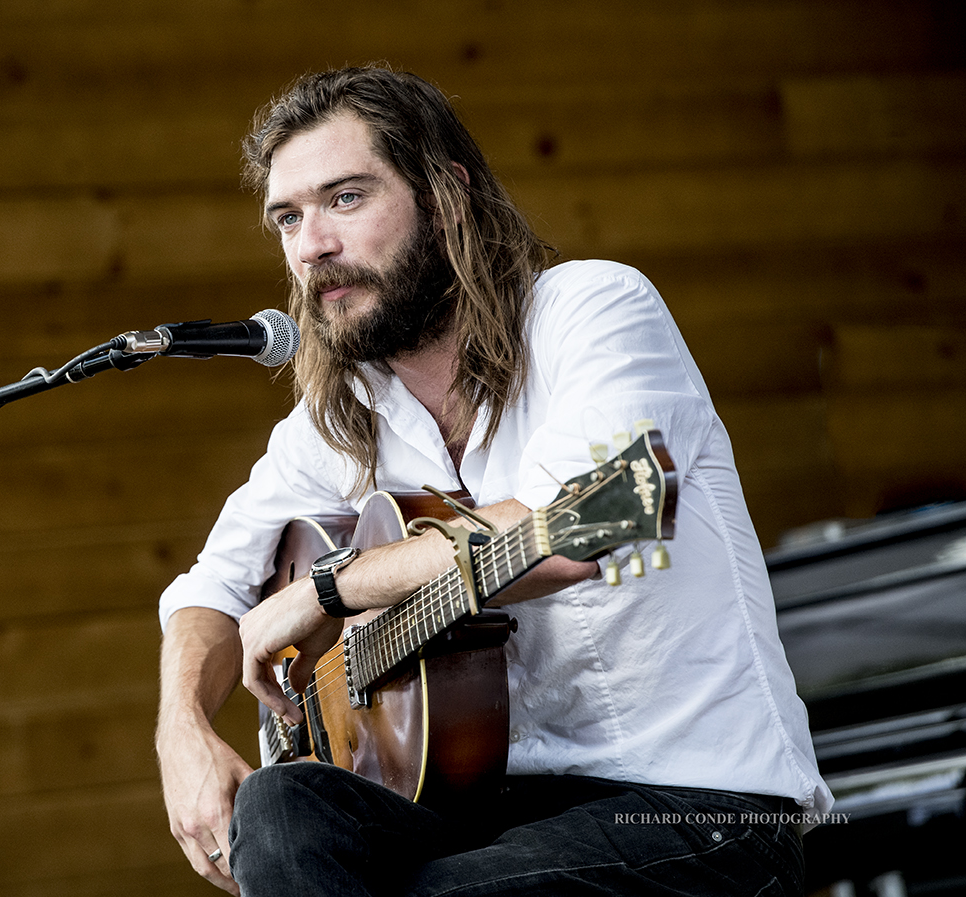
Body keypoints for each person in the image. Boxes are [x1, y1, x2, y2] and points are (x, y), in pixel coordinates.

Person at [155, 66, 831, 896]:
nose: (310, 245)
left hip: (700, 810)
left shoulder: (593, 310)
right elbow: (212, 590)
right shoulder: (343, 417)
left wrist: (331, 589)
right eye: (288, 218)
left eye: (345, 198)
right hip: (492, 814)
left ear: (445, 196)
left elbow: (567, 530)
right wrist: (182, 732)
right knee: (281, 802)